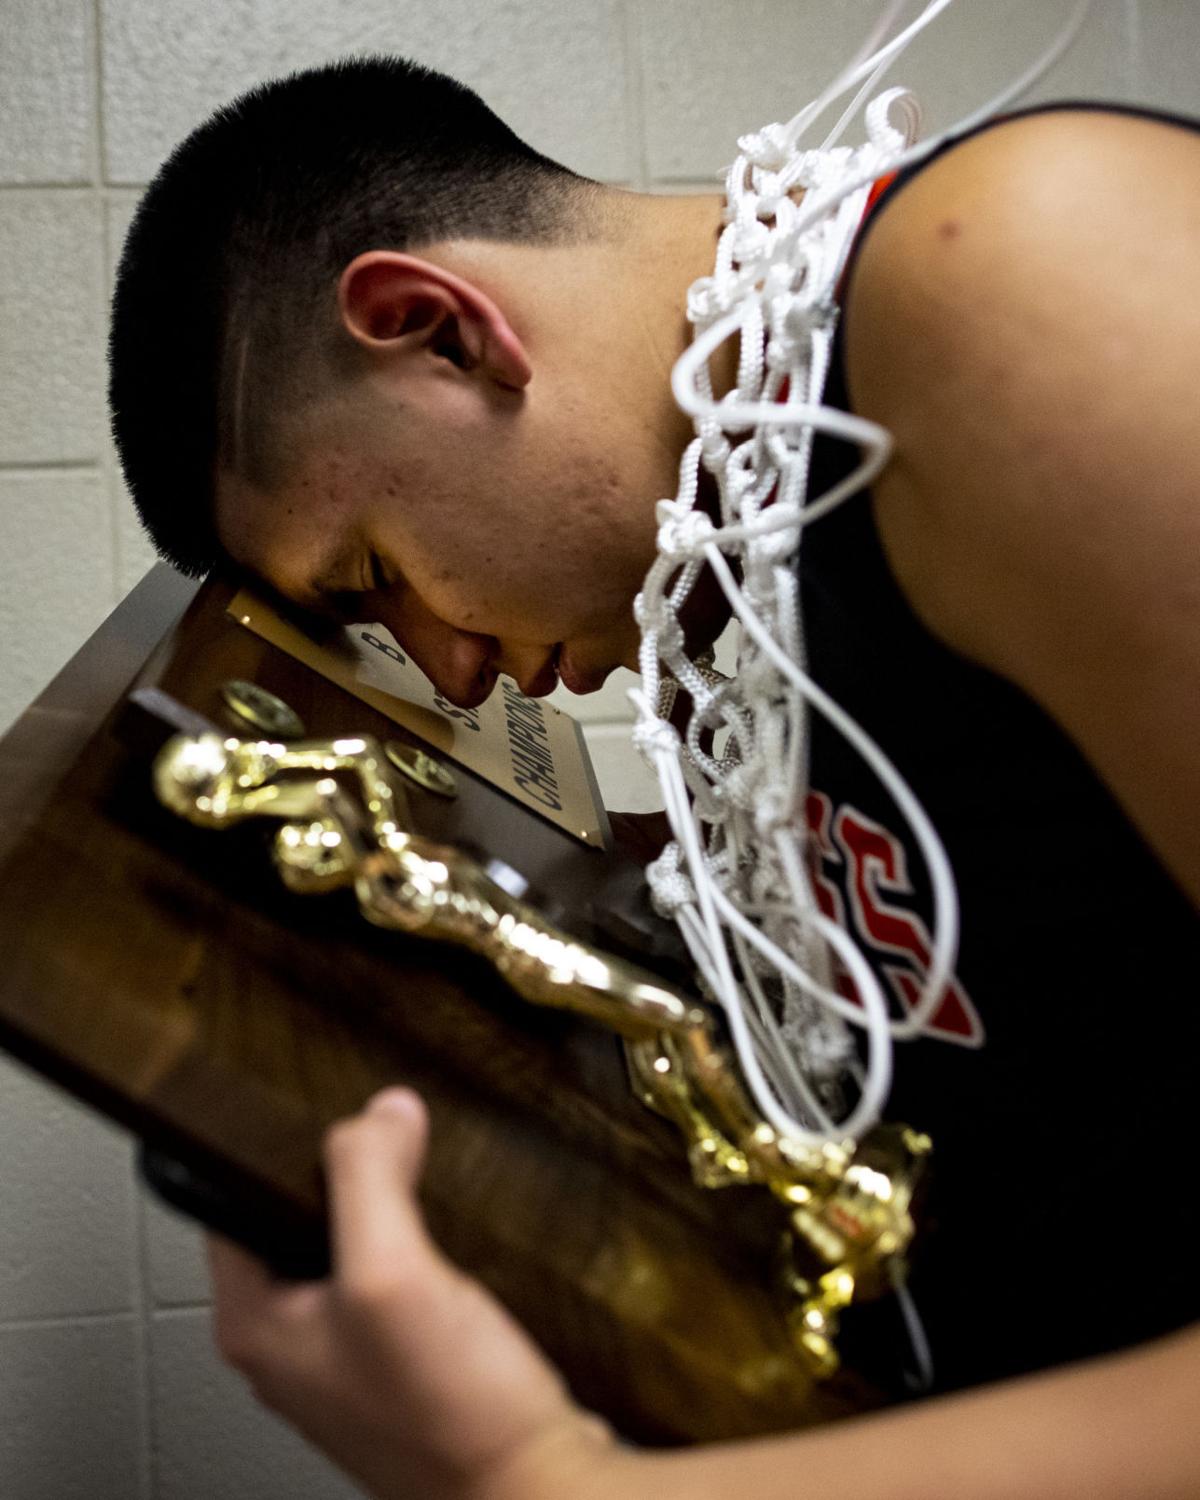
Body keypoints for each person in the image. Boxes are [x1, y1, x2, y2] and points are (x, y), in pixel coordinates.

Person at [108, 54, 1200, 1500]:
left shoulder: (1004, 273)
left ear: (438, 332)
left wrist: (547, 1482)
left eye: (375, 571)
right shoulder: (736, 586)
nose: (452, 673)